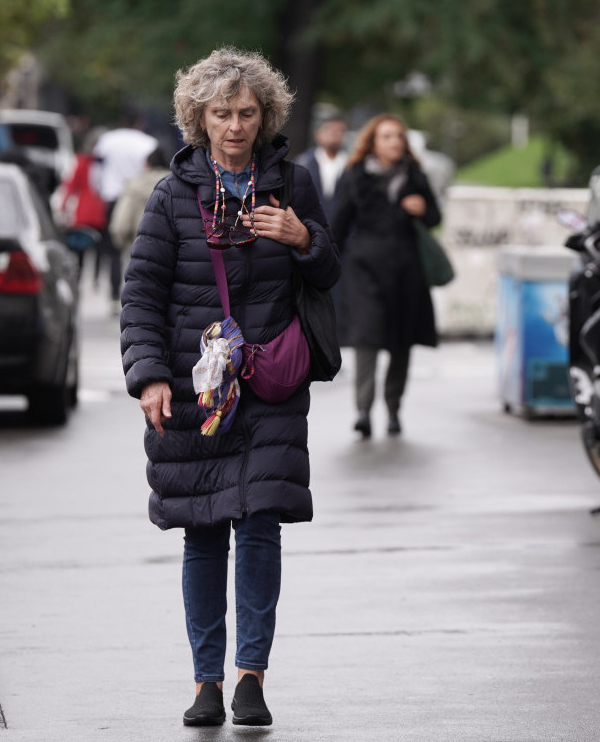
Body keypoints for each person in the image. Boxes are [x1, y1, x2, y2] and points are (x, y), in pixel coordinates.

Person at [120, 46, 337, 727]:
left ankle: (251, 676)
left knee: (261, 525)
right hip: (197, 391)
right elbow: (142, 294)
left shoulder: (293, 186)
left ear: (265, 116)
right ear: (199, 119)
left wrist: (304, 238)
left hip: (271, 383)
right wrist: (149, 376)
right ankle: (205, 682)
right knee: (205, 530)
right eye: (222, 114)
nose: (236, 126)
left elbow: (332, 271)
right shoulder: (171, 194)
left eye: (247, 113)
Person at [330, 113, 442, 438]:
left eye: (398, 137)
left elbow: (435, 217)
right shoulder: (355, 175)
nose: (394, 142)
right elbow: (337, 225)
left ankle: (393, 409)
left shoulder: (415, 175)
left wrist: (423, 209)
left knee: (401, 342)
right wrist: (321, 264)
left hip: (407, 271)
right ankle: (363, 411)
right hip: (364, 269)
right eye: (387, 137)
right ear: (373, 143)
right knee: (367, 340)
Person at [95, 112, 158, 312]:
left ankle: (114, 295)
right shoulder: (148, 142)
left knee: (113, 250)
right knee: (142, 249)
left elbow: (96, 169)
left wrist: (101, 189)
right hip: (141, 197)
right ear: (139, 122)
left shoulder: (107, 140)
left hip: (112, 196)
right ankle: (140, 295)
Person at [57, 127, 110, 274]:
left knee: (81, 247)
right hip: (99, 210)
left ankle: (80, 276)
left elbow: (70, 185)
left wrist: (62, 206)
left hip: (84, 212)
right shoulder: (103, 164)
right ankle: (96, 278)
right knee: (99, 247)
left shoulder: (82, 161)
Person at [108, 145, 168, 273]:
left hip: (139, 249)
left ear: (147, 164)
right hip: (168, 251)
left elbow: (121, 225)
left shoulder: (134, 186)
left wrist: (123, 243)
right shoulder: (176, 186)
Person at [294, 115, 347, 218]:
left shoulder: (351, 165)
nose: (334, 134)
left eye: (340, 131)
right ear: (317, 134)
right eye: (329, 130)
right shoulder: (303, 163)